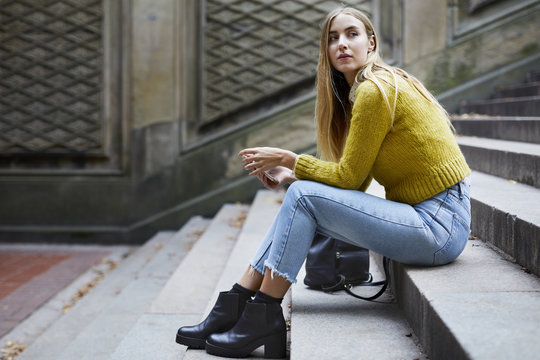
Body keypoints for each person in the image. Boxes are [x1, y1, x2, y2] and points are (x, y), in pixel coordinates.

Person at [176, 5, 471, 359]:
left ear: (371, 43)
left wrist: (289, 160)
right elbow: (354, 183)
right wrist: (292, 175)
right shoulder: (364, 91)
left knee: (302, 196)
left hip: (438, 225)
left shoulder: (376, 91)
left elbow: (347, 179)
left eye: (352, 35)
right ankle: (238, 302)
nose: (342, 44)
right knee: (300, 195)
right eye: (333, 38)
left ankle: (262, 310)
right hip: (427, 218)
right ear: (326, 52)